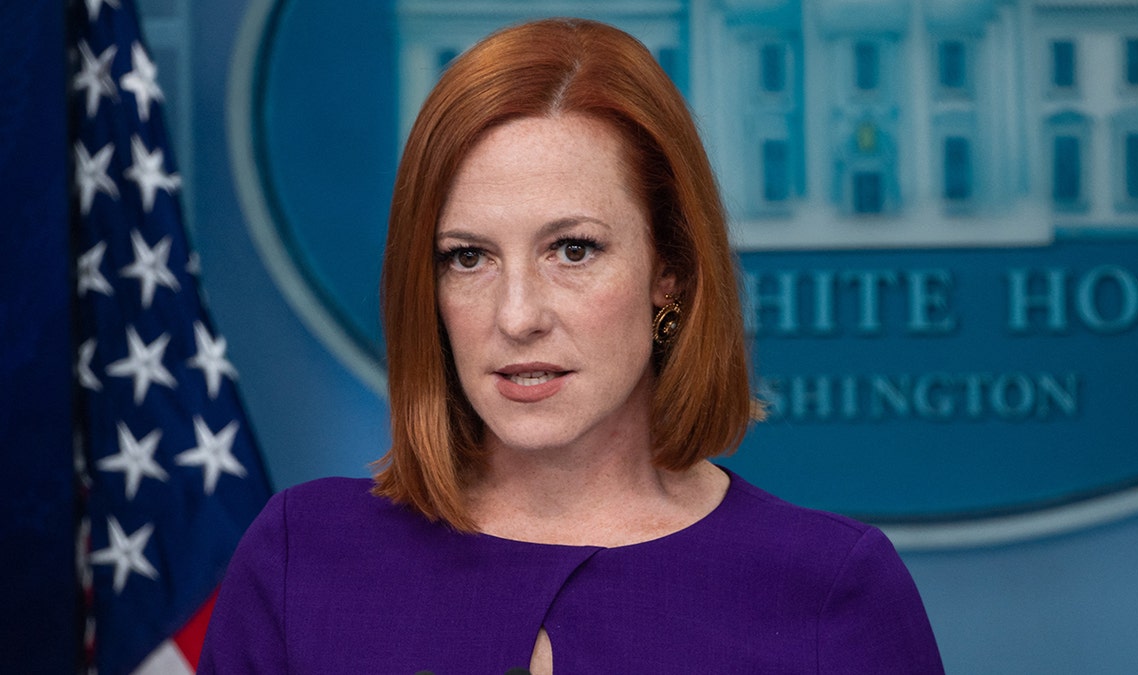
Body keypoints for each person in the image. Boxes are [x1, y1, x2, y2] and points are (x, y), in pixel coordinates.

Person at [199, 17, 943, 674]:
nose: (517, 315)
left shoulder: (829, 588)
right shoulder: (303, 560)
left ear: (670, 272)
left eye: (574, 250)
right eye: (467, 256)